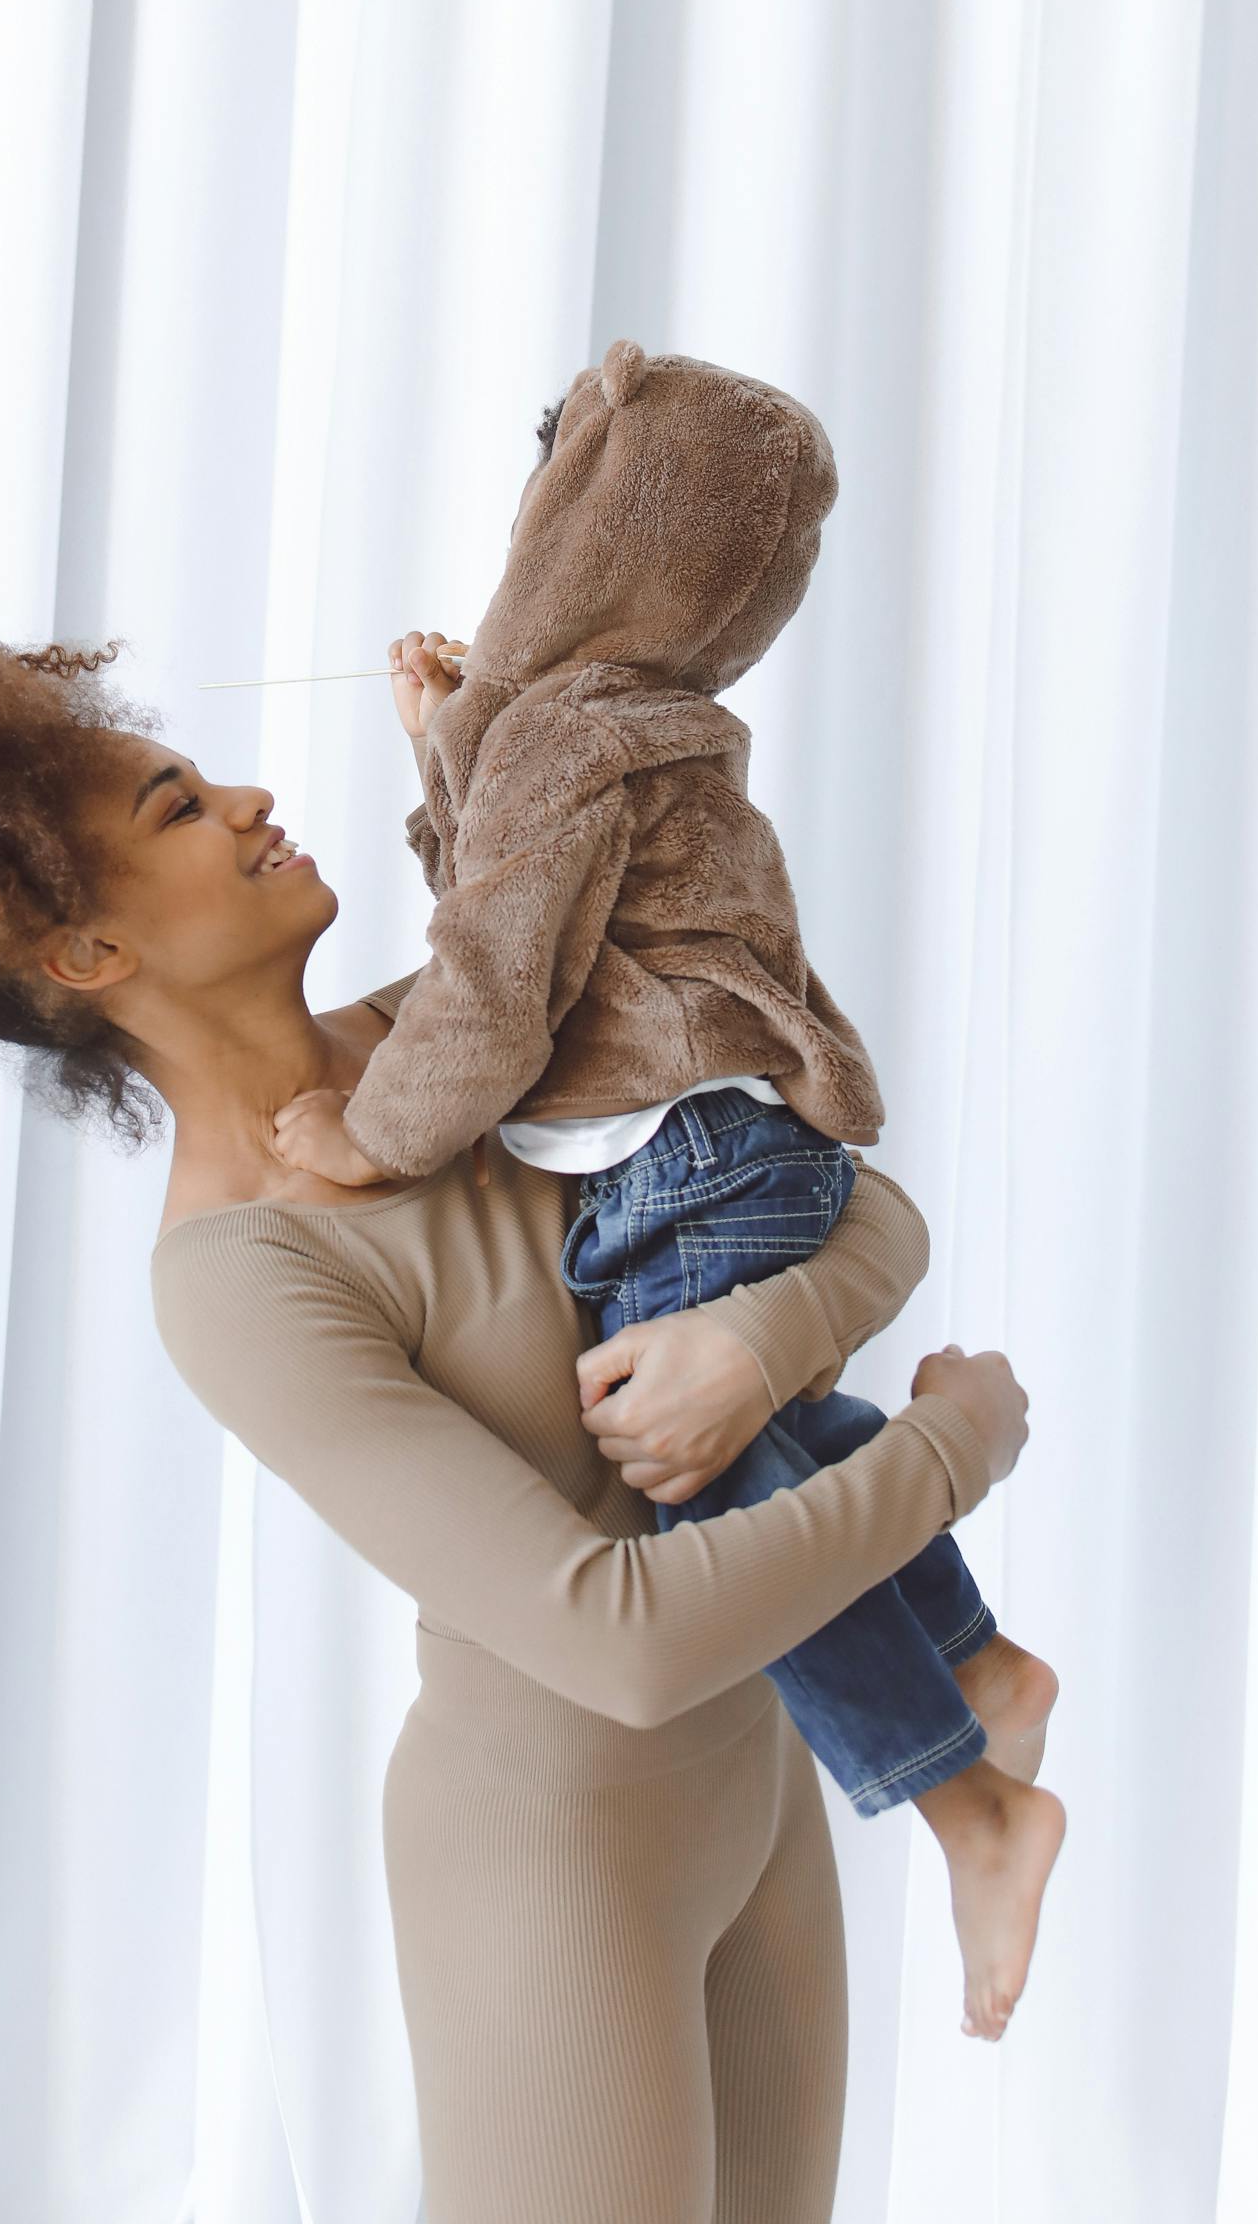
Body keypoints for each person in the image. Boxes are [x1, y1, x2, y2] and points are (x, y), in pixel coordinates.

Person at [0, 613, 1034, 2224]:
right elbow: (619, 1637)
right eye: (179, 810)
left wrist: (765, 1340)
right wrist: (953, 1445)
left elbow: (844, 1192)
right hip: (556, 1861)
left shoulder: (468, 1042)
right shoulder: (243, 1275)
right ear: (87, 957)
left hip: (766, 1776)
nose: (253, 799)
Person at [267, 343, 1065, 2033]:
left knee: (700, 1480)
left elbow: (492, 975)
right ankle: (980, 1662)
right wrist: (445, 744)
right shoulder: (626, 727)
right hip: (739, 1148)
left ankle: (968, 1795)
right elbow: (522, 891)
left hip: (687, 1158)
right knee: (770, 1454)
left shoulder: (563, 736)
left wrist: (378, 1136)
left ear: (584, 533)